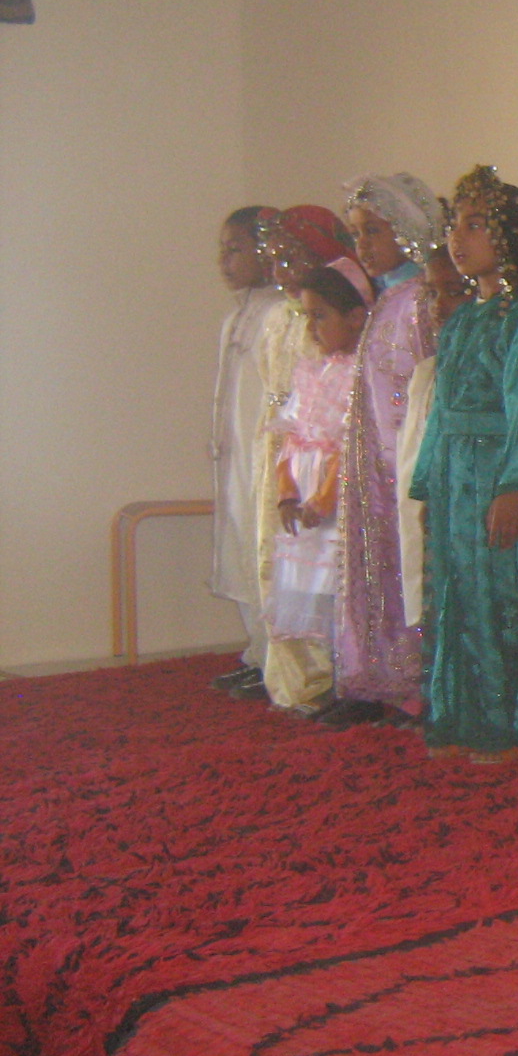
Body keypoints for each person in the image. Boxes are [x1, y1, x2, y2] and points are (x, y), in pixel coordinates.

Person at [411, 166, 518, 764]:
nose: (459, 238)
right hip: (455, 474)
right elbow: (440, 408)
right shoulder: (463, 318)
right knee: (460, 593)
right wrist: (428, 480)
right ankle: (469, 714)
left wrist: (513, 485)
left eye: (476, 225)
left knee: (507, 593)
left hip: (496, 470)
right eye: (456, 225)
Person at [326, 173, 442, 727]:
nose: (363, 245)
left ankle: (416, 680)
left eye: (374, 231)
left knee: (408, 566)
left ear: (408, 230)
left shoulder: (422, 301)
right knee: (376, 564)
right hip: (374, 464)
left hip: (406, 463)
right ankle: (376, 675)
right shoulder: (388, 299)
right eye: (355, 234)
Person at [254, 206, 368, 711]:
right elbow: (291, 437)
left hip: (332, 506)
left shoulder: (358, 373)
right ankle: (327, 683)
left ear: (355, 317)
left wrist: (323, 499)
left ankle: (350, 684)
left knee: (342, 591)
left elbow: (348, 446)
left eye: (320, 316)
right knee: (315, 595)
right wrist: (286, 493)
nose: (313, 327)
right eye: (308, 317)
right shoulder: (310, 370)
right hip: (303, 505)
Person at [207, 206, 286, 696]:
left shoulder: (280, 312)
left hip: (265, 456)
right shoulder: (237, 316)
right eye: (223, 250)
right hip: (236, 456)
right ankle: (257, 654)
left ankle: (281, 661)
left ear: (266, 251)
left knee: (266, 552)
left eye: (236, 249)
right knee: (239, 547)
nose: (225, 261)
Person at [396, 249, 471, 636]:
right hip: (434, 509)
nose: (438, 308)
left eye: (454, 292)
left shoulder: (485, 371)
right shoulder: (428, 372)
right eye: (431, 294)